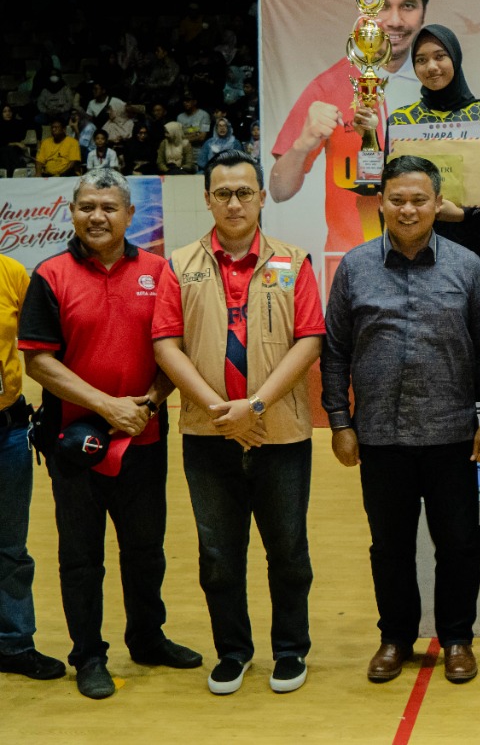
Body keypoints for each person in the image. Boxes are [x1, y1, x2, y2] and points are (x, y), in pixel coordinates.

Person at [322, 155, 480, 685]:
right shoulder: (355, 267)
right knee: (390, 547)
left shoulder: (467, 267)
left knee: (460, 544)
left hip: (451, 434)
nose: (407, 209)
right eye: (397, 199)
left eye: (419, 199)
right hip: (379, 435)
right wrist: (340, 421)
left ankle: (456, 639)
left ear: (437, 204)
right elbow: (334, 351)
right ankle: (395, 637)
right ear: (380, 203)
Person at [18, 170, 201, 699]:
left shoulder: (159, 271)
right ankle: (88, 656)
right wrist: (106, 407)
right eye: (86, 206)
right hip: (74, 445)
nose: (97, 216)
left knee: (146, 550)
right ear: (72, 212)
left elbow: (175, 351)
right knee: (81, 557)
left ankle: (147, 638)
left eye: (108, 207)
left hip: (143, 438)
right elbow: (39, 363)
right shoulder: (49, 275)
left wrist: (148, 403)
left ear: (129, 215)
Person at [152, 150, 325, 696]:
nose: (233, 202)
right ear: (206, 198)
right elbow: (165, 344)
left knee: (289, 551)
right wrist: (215, 410)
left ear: (261, 197)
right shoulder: (179, 264)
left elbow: (310, 340)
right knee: (219, 555)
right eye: (222, 192)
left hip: (282, 435)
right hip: (208, 437)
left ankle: (291, 649)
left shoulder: (294, 261)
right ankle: (233, 650)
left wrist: (254, 407)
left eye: (244, 192)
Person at [270, 0, 432, 255]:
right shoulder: (329, 86)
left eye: (408, 6)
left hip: (428, 258)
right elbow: (279, 191)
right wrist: (304, 143)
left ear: (423, 12)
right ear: (364, 10)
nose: (395, 20)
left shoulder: (438, 82)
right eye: (383, 5)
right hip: (352, 263)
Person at [380, 24, 480, 284]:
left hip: (472, 242)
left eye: (440, 56)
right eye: (421, 60)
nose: (431, 67)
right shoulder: (402, 120)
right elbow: (391, 187)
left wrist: (462, 214)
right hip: (411, 240)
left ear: (455, 58)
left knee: (471, 319)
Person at [0, 253, 64, 681]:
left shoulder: (10, 272)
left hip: (6, 431)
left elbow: (43, 339)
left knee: (10, 547)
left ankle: (14, 643)